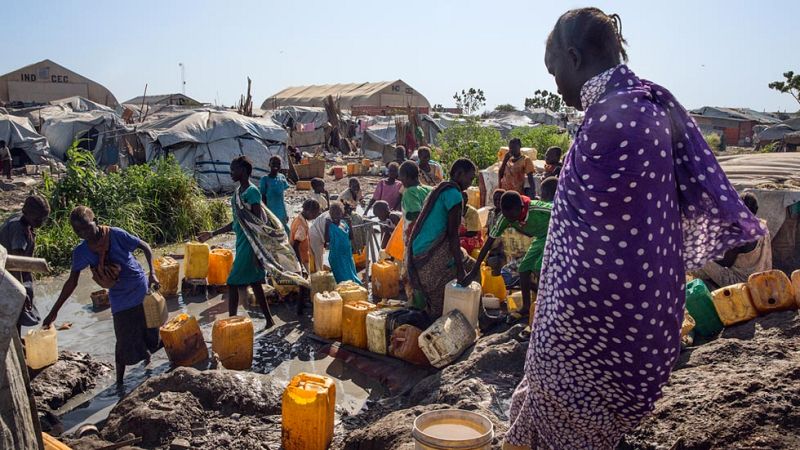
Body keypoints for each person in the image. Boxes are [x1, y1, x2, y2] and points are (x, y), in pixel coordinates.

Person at [500, 9, 765, 449]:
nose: (557, 85)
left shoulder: (621, 118)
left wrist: (561, 330)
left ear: (573, 57)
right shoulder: (638, 106)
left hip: (598, 324)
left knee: (567, 421)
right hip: (615, 316)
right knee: (547, 416)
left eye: (554, 71)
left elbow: (614, 241)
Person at [42, 206, 160, 385]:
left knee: (150, 332)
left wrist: (152, 273)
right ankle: (119, 384)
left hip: (139, 288)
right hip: (119, 298)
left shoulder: (116, 234)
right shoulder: (81, 252)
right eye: (78, 231)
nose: (84, 233)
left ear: (95, 221)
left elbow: (145, 246)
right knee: (123, 340)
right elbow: (72, 282)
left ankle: (150, 362)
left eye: (86, 227)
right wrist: (54, 312)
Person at [465, 179, 557, 322]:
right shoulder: (505, 217)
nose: (510, 220)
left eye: (513, 217)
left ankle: (545, 307)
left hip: (554, 234)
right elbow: (488, 242)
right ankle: (526, 307)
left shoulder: (539, 209)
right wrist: (474, 269)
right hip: (539, 238)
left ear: (521, 207)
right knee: (524, 268)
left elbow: (561, 211)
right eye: (507, 217)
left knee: (540, 267)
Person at [199, 156, 274, 328]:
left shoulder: (252, 192)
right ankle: (269, 320)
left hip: (249, 244)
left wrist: (257, 252)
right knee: (255, 283)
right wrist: (212, 233)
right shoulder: (238, 192)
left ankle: (231, 322)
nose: (230, 173)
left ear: (243, 171)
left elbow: (257, 225)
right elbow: (236, 222)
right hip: (241, 242)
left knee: (232, 282)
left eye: (233, 169)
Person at [406, 158, 477, 319]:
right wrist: (460, 270)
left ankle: (477, 315)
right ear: (459, 173)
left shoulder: (438, 189)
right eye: (470, 178)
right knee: (437, 311)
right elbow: (453, 235)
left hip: (419, 250)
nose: (470, 183)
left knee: (469, 265)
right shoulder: (454, 195)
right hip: (430, 253)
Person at [693, 193, 772, 289]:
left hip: (740, 283)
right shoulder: (762, 226)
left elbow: (725, 263)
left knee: (700, 260)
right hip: (762, 279)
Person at [0, 194, 50, 334]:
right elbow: (17, 264)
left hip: (14, 274)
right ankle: (14, 342)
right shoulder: (18, 229)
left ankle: (17, 340)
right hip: (10, 277)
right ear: (26, 213)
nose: (40, 223)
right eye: (37, 220)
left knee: (17, 311)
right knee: (16, 309)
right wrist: (21, 292)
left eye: (43, 219)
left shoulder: (22, 220)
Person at [324, 201, 361, 284]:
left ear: (342, 213)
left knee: (351, 276)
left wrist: (350, 224)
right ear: (330, 214)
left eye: (338, 213)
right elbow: (327, 240)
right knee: (343, 280)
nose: (335, 216)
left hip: (347, 255)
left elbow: (351, 237)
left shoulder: (344, 224)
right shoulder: (330, 226)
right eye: (333, 213)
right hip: (337, 257)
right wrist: (327, 226)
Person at [398, 160, 433, 241]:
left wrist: (409, 237)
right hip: (433, 236)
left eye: (401, 177)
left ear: (405, 176)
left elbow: (416, 216)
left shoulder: (410, 192)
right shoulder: (430, 189)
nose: (400, 180)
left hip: (418, 239)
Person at [260, 156, 291, 233]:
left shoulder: (282, 177)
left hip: (281, 211)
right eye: (273, 163)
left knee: (285, 232)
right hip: (271, 211)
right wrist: (265, 213)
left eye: (278, 163)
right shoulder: (265, 179)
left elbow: (282, 197)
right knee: (274, 231)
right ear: (269, 164)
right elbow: (263, 197)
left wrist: (286, 213)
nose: (276, 165)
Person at [291, 199, 322, 273]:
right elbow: (296, 245)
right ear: (308, 211)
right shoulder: (301, 226)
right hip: (301, 259)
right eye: (314, 214)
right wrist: (300, 265)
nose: (315, 217)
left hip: (300, 257)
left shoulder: (297, 219)